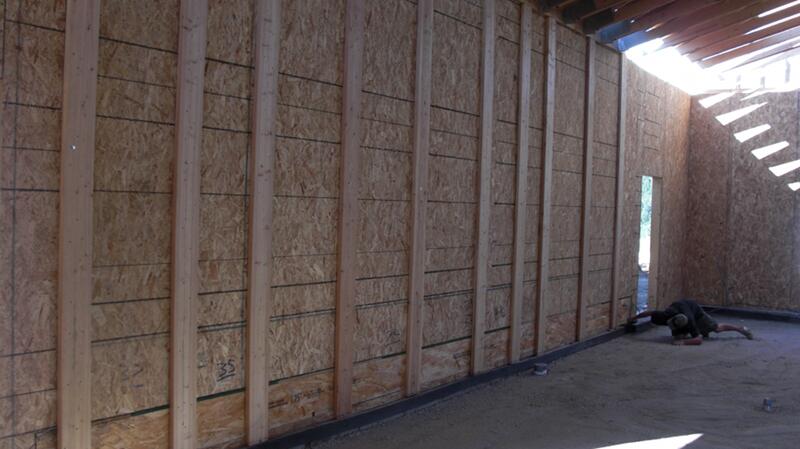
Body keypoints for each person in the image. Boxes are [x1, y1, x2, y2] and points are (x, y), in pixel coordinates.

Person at [627, 298, 753, 345]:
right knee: (679, 336)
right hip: (682, 307)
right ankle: (701, 331)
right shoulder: (665, 315)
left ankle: (740, 329)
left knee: (716, 328)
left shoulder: (691, 320)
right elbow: (649, 313)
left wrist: (683, 342)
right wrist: (633, 318)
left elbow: (698, 340)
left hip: (696, 312)